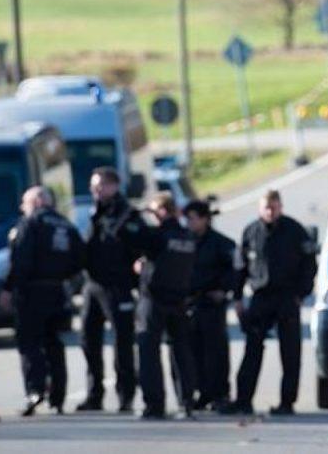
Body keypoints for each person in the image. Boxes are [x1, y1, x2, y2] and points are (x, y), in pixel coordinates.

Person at [220, 190, 317, 416]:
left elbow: (309, 265)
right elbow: (240, 267)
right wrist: (236, 298)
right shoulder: (251, 232)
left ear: (280, 207)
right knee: (252, 349)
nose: (270, 212)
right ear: (260, 208)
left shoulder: (295, 231)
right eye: (266, 207)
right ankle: (243, 400)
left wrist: (301, 294)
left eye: (274, 207)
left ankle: (287, 402)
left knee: (290, 353)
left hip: (287, 297)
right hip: (261, 297)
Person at [0, 186, 84, 417]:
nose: (22, 208)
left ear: (36, 202)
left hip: (31, 292)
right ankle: (58, 397)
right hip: (57, 291)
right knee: (55, 344)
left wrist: (9, 288)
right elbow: (79, 259)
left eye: (25, 203)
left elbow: (20, 260)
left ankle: (35, 391)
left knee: (30, 343)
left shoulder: (30, 224)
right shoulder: (66, 225)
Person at [77, 166, 145, 413]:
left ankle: (125, 395)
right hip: (93, 285)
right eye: (93, 186)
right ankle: (94, 395)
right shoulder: (94, 213)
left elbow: (140, 248)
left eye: (101, 185)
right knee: (88, 340)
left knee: (122, 343)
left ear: (114, 186)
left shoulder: (127, 215)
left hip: (118, 285)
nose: (96, 190)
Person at [134, 193, 197, 419]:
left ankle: (154, 404)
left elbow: (134, 238)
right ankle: (186, 401)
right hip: (179, 299)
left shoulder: (158, 235)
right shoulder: (188, 236)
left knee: (148, 351)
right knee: (181, 351)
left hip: (154, 299)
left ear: (161, 211)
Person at [178, 198, 236, 412]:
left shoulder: (220, 243)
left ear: (204, 219)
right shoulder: (184, 240)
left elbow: (235, 269)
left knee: (216, 351)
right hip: (189, 303)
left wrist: (224, 290)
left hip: (211, 303)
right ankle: (201, 392)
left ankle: (220, 393)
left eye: (192, 218)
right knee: (193, 350)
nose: (189, 223)